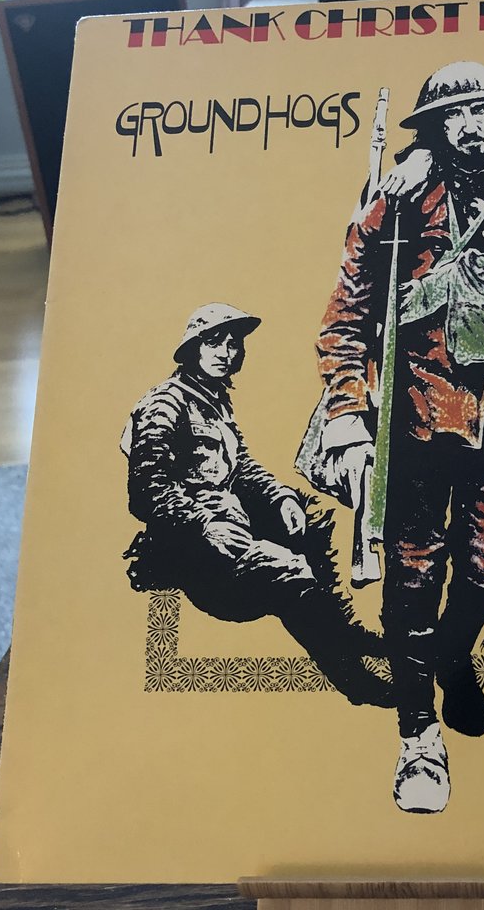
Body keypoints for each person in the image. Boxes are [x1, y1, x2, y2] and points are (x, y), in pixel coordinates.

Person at [317, 62, 484, 814]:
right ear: (432, 127)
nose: (469, 126)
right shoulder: (396, 202)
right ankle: (418, 735)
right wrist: (347, 411)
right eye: (452, 116)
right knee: (413, 577)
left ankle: (453, 654)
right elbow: (347, 316)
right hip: (419, 420)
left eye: (481, 111)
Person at [121, 302, 391, 708]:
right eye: (214, 342)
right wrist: (202, 525)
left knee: (306, 520)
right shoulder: (165, 404)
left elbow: (242, 467)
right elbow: (146, 489)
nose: (226, 352)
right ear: (192, 348)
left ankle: (341, 631)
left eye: (234, 344)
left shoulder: (213, 400)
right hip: (190, 546)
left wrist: (280, 497)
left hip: (230, 523)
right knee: (290, 569)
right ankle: (354, 679)